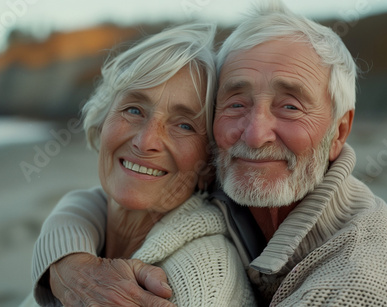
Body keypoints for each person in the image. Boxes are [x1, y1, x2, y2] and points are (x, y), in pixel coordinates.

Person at [30, 2, 387, 306]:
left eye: (289, 105)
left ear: (339, 132)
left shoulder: (359, 284)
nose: (255, 133)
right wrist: (70, 262)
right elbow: (96, 200)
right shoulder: (244, 189)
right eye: (236, 103)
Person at [20, 23, 257, 307]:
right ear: (102, 120)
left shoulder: (203, 275)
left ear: (208, 165)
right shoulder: (83, 233)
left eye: (184, 125)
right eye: (134, 110)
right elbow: (86, 201)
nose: (146, 142)